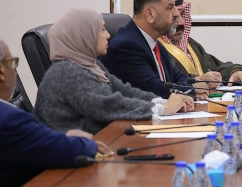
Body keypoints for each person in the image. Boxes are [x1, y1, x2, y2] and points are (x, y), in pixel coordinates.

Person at [35, 8, 193, 134]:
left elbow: (124, 91)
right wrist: (162, 109)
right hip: (70, 156)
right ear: (84, 36)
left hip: (96, 143)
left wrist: (162, 102)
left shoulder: (92, 65)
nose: (108, 35)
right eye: (102, 30)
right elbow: (106, 106)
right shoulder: (67, 71)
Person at [0, 37, 109, 187]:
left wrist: (62, 137)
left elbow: (34, 141)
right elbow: (65, 151)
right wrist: (85, 142)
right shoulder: (9, 120)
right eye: (12, 63)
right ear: (2, 73)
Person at [99, 0, 204, 99]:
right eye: (169, 8)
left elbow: (178, 76)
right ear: (150, 14)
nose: (176, 13)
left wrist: (192, 87)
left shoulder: (154, 43)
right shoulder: (126, 46)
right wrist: (192, 89)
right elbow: (154, 89)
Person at [159, 0, 242, 84]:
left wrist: (235, 71)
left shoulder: (190, 44)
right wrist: (200, 80)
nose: (181, 22)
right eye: (173, 17)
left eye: (182, 14)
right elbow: (168, 79)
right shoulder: (156, 48)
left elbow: (214, 67)